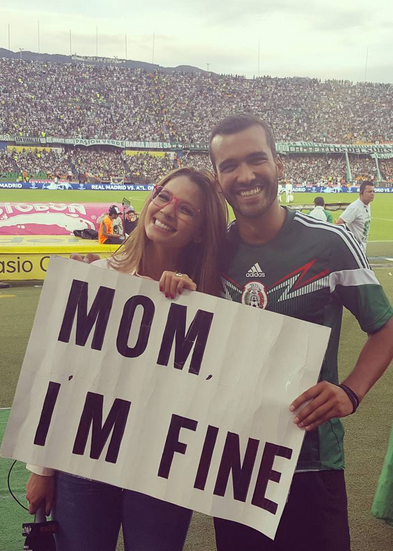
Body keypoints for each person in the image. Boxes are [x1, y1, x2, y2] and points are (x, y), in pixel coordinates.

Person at [208, 114, 393, 551]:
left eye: (257, 159)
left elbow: (385, 326)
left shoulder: (330, 243)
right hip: (233, 463)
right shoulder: (211, 251)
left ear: (279, 166)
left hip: (313, 461)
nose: (246, 175)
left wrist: (350, 391)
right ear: (217, 179)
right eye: (230, 165)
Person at [26, 166, 228, 551]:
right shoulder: (98, 276)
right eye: (164, 196)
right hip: (83, 461)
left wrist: (194, 309)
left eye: (187, 209)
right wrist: (41, 469)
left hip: (160, 470)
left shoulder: (205, 301)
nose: (168, 210)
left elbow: (211, 394)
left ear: (202, 230)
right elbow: (58, 375)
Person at [335, 181, 375, 251]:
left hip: (362, 247)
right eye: (369, 192)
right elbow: (339, 223)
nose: (372, 194)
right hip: (354, 248)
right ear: (361, 192)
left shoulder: (367, 204)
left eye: (373, 191)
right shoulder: (355, 207)